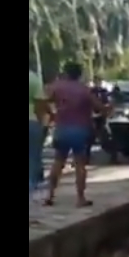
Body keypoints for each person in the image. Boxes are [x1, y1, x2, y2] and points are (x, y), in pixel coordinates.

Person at [45, 61, 106, 207]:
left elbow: (42, 99)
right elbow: (99, 108)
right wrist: (107, 109)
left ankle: (50, 195)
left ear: (65, 73)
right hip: (80, 129)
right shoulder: (84, 90)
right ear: (79, 75)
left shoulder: (56, 87)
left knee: (58, 162)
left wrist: (52, 114)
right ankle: (80, 198)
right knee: (80, 164)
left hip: (62, 128)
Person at [87, 75, 115, 163]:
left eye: (99, 81)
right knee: (89, 139)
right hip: (92, 117)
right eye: (96, 81)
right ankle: (85, 158)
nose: (97, 83)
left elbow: (109, 103)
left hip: (102, 117)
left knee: (105, 138)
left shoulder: (104, 92)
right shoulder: (90, 92)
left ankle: (113, 156)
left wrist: (108, 111)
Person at [29, 68, 48, 199]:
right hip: (32, 121)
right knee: (34, 156)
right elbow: (40, 105)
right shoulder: (33, 78)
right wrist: (42, 123)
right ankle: (32, 186)